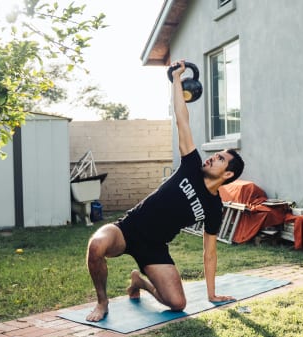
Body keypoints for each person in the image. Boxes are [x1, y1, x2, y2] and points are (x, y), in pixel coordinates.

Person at [84, 60, 245, 322]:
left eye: (219, 159)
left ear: (227, 175)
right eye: (214, 155)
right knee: (96, 246)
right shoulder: (191, 165)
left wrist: (212, 294)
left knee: (177, 303)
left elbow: (210, 252)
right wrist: (176, 81)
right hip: (129, 228)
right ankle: (102, 303)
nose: (211, 159)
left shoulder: (215, 208)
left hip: (155, 247)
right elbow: (182, 120)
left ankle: (139, 281)